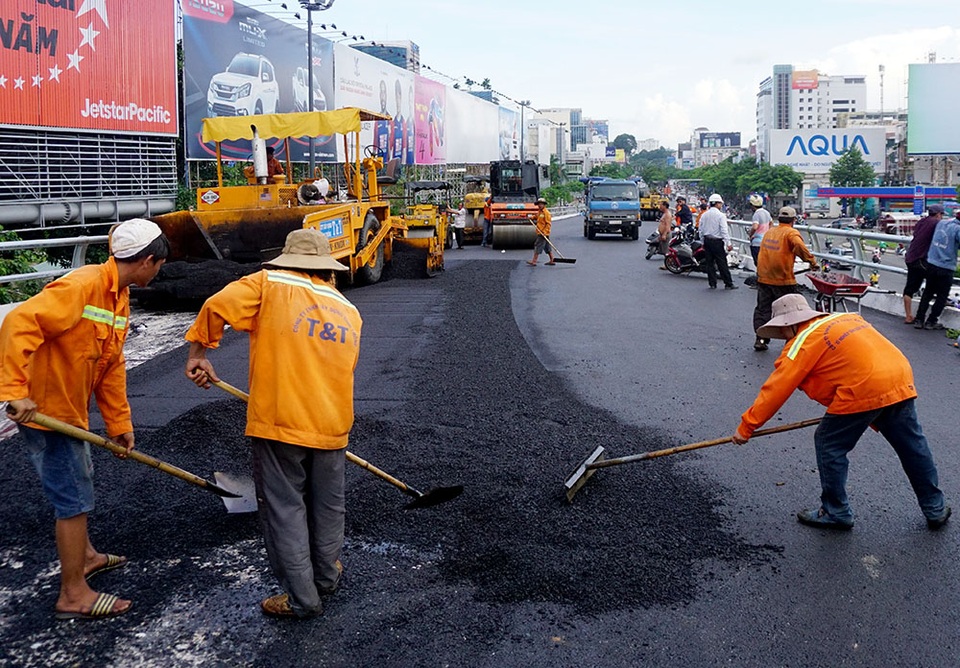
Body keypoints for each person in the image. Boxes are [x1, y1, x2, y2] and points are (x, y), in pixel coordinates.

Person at [184, 229, 362, 619]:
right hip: (333, 424)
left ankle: (302, 599)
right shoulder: (348, 309)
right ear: (325, 269)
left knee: (285, 508)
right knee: (328, 505)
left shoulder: (269, 283)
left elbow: (216, 306)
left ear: (288, 261)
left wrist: (199, 353)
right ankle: (326, 577)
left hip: (282, 421)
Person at [0, 219, 169, 620]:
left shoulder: (118, 296)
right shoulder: (82, 285)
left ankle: (87, 556)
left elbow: (111, 367)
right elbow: (19, 323)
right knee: (73, 500)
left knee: (81, 481)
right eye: (160, 265)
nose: (159, 272)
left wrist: (119, 424)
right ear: (147, 260)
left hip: (72, 410)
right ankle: (73, 594)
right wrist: (14, 391)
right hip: (47, 412)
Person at [733, 293, 950, 531]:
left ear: (789, 324)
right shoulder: (845, 318)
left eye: (782, 331)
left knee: (828, 443)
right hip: (898, 376)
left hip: (863, 386)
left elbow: (776, 389)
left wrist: (747, 427)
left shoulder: (803, 341)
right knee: (912, 446)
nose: (784, 337)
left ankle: (835, 511)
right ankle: (935, 507)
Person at [751, 206, 817, 351]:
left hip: (764, 277)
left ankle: (760, 339)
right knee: (792, 311)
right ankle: (792, 341)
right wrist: (812, 262)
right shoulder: (791, 233)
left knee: (763, 309)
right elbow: (799, 246)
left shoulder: (770, 232)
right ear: (793, 220)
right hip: (782, 279)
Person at [913, 208, 960, 330]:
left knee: (927, 293)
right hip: (946, 266)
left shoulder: (941, 223)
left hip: (932, 263)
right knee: (942, 296)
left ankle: (919, 319)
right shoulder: (958, 229)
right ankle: (931, 321)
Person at [902, 204, 943, 324]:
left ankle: (908, 316)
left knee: (910, 287)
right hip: (921, 258)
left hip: (910, 257)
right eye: (941, 214)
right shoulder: (936, 223)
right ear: (938, 214)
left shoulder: (922, 221)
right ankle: (926, 314)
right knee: (936, 281)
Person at [697, 193, 738, 290]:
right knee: (722, 263)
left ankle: (712, 283)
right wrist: (728, 243)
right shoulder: (721, 216)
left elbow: (701, 230)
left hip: (707, 241)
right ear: (717, 203)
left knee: (709, 263)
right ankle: (728, 283)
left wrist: (702, 242)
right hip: (717, 242)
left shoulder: (704, 215)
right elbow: (724, 231)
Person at [527, 197, 555, 266]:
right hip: (541, 232)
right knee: (547, 247)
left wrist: (544, 232)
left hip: (543, 233)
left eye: (541, 204)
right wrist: (532, 217)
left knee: (537, 245)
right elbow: (537, 217)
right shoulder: (539, 212)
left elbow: (548, 224)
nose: (539, 205)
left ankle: (534, 261)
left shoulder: (546, 213)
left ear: (544, 205)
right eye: (539, 204)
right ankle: (552, 260)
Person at [747, 194, 772, 272]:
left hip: (757, 243)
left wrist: (750, 235)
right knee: (765, 262)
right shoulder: (766, 212)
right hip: (766, 242)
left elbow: (755, 227)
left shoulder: (756, 214)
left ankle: (760, 276)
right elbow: (771, 223)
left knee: (758, 263)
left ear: (752, 205)